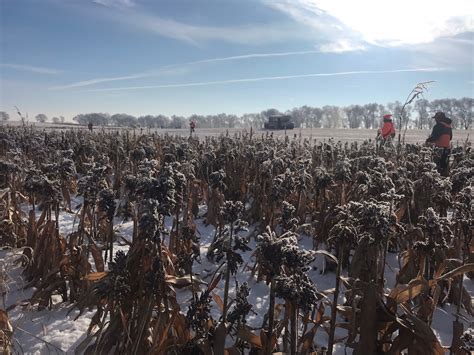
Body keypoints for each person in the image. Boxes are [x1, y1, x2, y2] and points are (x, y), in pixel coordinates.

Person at [426, 111, 452, 176]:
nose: (435, 120)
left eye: (436, 118)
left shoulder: (438, 126)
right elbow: (450, 137)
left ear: (439, 118)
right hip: (447, 149)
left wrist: (427, 140)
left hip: (439, 150)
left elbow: (434, 137)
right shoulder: (448, 126)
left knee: (436, 168)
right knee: (444, 167)